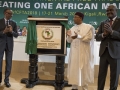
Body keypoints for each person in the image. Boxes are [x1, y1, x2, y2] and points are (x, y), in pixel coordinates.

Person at [66, 12, 95, 90]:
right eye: (74, 17)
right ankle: (74, 87)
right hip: (74, 54)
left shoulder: (88, 27)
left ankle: (84, 88)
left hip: (83, 53)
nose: (74, 18)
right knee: (74, 70)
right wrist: (68, 36)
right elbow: (69, 41)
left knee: (84, 70)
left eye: (76, 17)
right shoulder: (72, 28)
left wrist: (78, 36)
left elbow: (88, 38)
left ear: (81, 18)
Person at [95, 4, 120, 90]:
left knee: (114, 75)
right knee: (101, 75)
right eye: (107, 11)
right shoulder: (103, 23)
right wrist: (103, 34)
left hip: (115, 53)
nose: (109, 12)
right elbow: (97, 37)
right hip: (103, 52)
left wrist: (112, 32)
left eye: (111, 10)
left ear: (116, 11)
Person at [0, 8, 18, 87]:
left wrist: (11, 31)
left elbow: (16, 35)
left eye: (11, 14)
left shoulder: (13, 23)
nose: (11, 15)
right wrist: (4, 32)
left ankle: (6, 80)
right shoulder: (0, 21)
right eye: (9, 13)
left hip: (10, 46)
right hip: (1, 45)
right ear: (5, 13)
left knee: (9, 63)